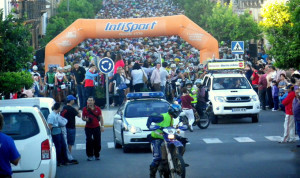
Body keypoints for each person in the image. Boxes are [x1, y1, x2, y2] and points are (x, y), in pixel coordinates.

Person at [146, 104, 182, 178]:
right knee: (157, 158)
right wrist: (149, 126)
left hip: (166, 138)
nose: (178, 114)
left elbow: (170, 129)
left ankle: (177, 162)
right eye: (177, 112)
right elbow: (151, 117)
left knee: (181, 143)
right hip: (157, 138)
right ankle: (152, 175)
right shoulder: (163, 116)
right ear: (173, 111)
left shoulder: (171, 118)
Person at [82, 96, 104, 161]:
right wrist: (86, 119)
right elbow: (83, 117)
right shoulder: (85, 109)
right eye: (89, 100)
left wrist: (102, 126)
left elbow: (101, 118)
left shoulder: (98, 109)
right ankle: (90, 155)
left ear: (94, 101)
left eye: (91, 100)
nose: (90, 102)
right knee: (89, 141)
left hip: (96, 127)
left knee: (97, 141)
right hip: (88, 127)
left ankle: (97, 154)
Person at [60, 95, 81, 164]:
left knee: (65, 142)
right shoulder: (72, 109)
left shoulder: (64, 108)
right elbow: (79, 115)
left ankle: (65, 156)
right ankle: (69, 156)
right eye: (73, 100)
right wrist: (77, 110)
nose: (74, 101)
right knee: (70, 143)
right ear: (71, 101)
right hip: (71, 127)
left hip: (64, 127)